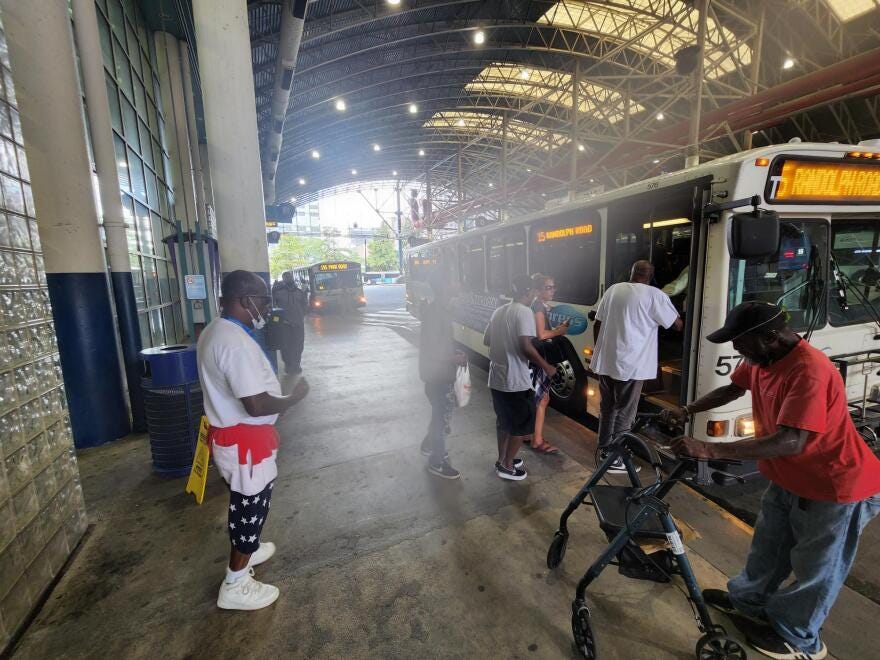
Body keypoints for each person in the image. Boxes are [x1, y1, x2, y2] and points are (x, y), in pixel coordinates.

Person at [666, 301, 880, 660]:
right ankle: (748, 603)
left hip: (835, 485)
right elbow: (732, 390)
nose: (735, 349)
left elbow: (791, 440)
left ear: (770, 337)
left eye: (740, 342)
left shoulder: (809, 371)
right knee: (768, 548)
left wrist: (709, 449)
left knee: (817, 568)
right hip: (787, 477)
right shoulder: (760, 360)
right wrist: (687, 410)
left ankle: (798, 637)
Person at [197, 270, 310, 611]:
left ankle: (250, 546)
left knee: (248, 499)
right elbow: (256, 403)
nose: (267, 307)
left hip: (241, 440)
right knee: (250, 505)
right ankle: (236, 582)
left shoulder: (216, 331)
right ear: (245, 301)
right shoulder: (234, 343)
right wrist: (293, 398)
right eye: (263, 301)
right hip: (246, 445)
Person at [591, 260, 682, 473]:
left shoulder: (614, 290)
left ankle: (604, 448)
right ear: (651, 276)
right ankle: (614, 458)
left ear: (632, 273)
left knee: (608, 407)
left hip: (606, 363)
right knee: (625, 412)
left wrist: (600, 354)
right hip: (631, 365)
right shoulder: (655, 295)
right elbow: (676, 325)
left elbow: (598, 323)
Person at [484, 274, 557, 481]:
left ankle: (503, 459)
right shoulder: (524, 312)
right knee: (519, 426)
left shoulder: (499, 311)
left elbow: (487, 339)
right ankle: (507, 466)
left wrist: (504, 344)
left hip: (496, 376)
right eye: (536, 290)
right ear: (530, 291)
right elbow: (526, 347)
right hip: (515, 379)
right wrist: (547, 367)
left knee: (504, 422)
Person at [418, 273, 468, 479]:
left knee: (440, 416)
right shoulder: (435, 312)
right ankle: (436, 461)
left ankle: (430, 445)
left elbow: (441, 343)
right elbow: (432, 349)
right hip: (437, 375)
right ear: (445, 285)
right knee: (441, 420)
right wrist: (453, 358)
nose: (458, 283)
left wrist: (454, 354)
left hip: (440, 373)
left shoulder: (441, 309)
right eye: (454, 279)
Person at [529, 273, 569, 455]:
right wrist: (560, 331)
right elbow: (541, 334)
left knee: (539, 398)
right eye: (548, 287)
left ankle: (531, 435)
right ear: (538, 291)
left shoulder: (538, 305)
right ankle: (537, 440)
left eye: (554, 286)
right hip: (540, 358)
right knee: (542, 399)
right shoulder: (538, 307)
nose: (553, 290)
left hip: (536, 357)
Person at [272, 271, 308, 376]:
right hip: (284, 325)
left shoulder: (299, 292)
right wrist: (279, 321)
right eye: (286, 278)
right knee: (285, 346)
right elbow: (273, 307)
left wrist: (300, 317)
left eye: (290, 277)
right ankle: (288, 365)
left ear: (292, 278)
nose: (288, 279)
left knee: (298, 345)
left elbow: (305, 306)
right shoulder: (278, 293)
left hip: (298, 324)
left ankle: (296, 364)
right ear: (283, 280)